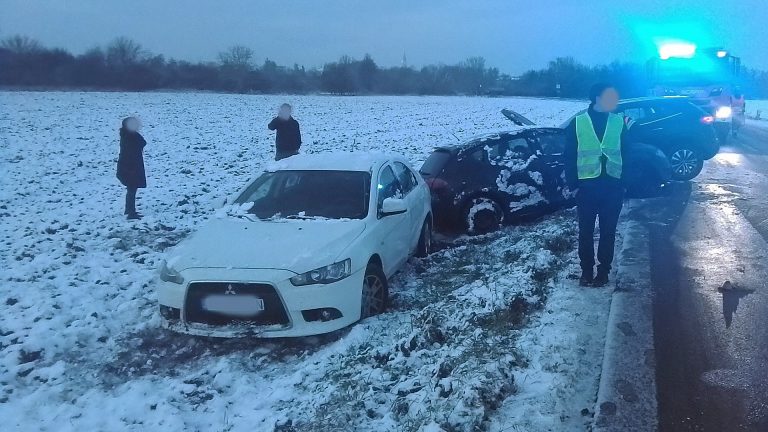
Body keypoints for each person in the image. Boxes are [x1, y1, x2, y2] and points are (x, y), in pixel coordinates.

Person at [564, 83, 629, 287]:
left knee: (608, 232)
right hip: (587, 188)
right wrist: (573, 184)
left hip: (612, 188)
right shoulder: (577, 123)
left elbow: (628, 155)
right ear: (597, 98)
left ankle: (603, 272)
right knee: (585, 232)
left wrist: (625, 184)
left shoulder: (619, 122)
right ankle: (586, 271)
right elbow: (569, 156)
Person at [116, 116, 147, 220]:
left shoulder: (128, 134)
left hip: (130, 166)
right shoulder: (129, 136)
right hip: (130, 167)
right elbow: (140, 143)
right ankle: (131, 212)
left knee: (132, 188)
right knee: (132, 188)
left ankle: (129, 210)